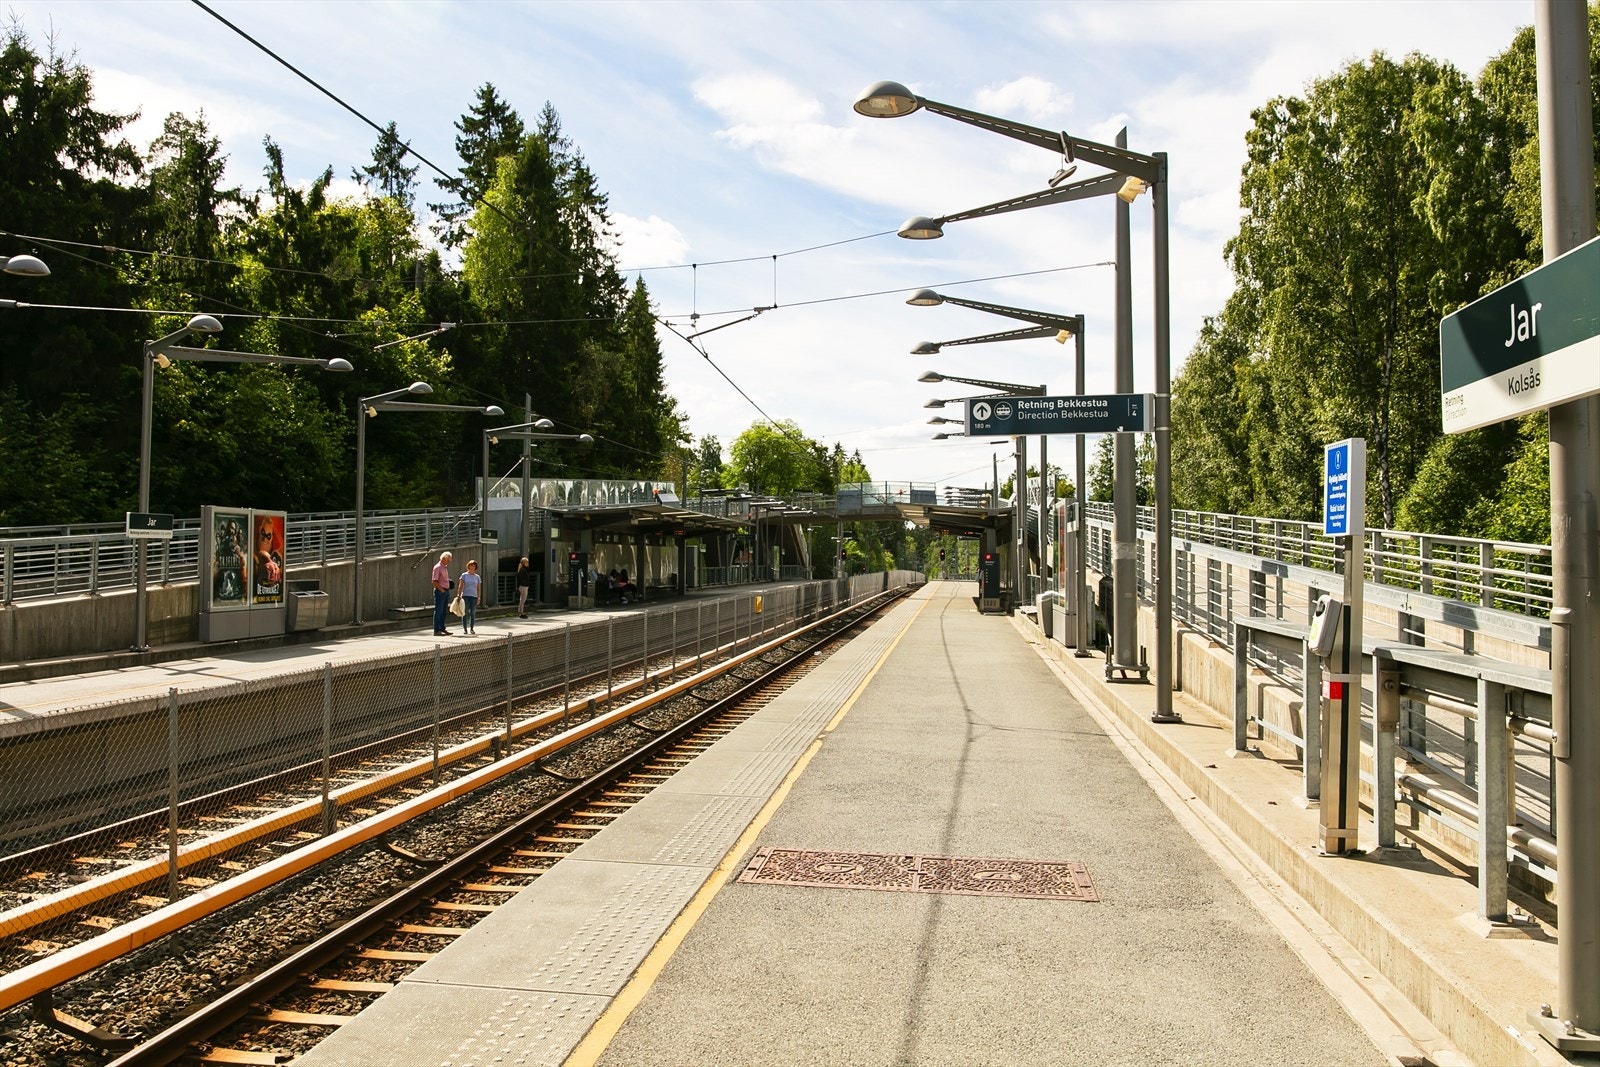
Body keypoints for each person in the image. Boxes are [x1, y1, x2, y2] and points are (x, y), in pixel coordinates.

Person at [431, 550, 454, 636]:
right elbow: (434, 581)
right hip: (440, 592)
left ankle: (442, 628)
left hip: (446, 591)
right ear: (443, 558)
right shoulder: (437, 567)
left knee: (444, 611)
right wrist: (441, 590)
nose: (449, 562)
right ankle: (436, 630)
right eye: (448, 560)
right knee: (438, 611)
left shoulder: (444, 567)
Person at [460, 559, 481, 635]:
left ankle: (472, 628)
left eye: (473, 566)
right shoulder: (464, 575)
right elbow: (460, 586)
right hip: (466, 596)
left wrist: (478, 598)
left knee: (472, 613)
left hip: (474, 596)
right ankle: (465, 629)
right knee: (464, 613)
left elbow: (478, 588)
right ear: (468, 566)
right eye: (471, 565)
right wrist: (459, 595)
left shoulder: (477, 577)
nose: (472, 567)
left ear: (475, 567)